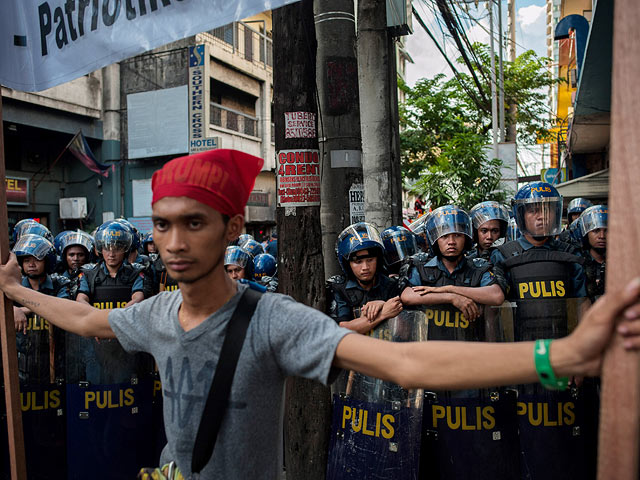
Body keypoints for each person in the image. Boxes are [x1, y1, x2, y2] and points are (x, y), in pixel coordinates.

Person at [0, 150, 639, 479]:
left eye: (193, 224)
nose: (173, 243)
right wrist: (18, 292)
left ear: (231, 228)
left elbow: (405, 360)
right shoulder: (160, 312)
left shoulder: (274, 319)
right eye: (163, 225)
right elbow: (85, 323)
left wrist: (560, 355)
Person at [490, 182, 594, 480]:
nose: (541, 217)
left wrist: (581, 355)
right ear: (521, 216)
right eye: (534, 210)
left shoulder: (570, 255)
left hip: (562, 357)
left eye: (547, 210)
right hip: (521, 358)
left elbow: (582, 306)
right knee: (523, 433)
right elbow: (496, 314)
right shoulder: (503, 256)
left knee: (564, 436)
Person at [401, 205, 504, 330]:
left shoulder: (478, 268)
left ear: (466, 237)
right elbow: (407, 296)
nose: (451, 242)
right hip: (430, 345)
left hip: (468, 343)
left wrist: (451, 288)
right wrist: (451, 297)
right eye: (444, 236)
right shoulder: (421, 266)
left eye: (457, 235)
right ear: (435, 239)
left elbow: (496, 296)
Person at [327, 222, 403, 335]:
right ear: (348, 264)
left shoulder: (391, 285)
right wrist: (382, 314)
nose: (365, 267)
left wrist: (382, 304)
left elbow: (405, 330)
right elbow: (342, 329)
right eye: (358, 262)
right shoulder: (338, 288)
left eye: (370, 260)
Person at [76, 220, 147, 307]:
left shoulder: (135, 273)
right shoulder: (88, 274)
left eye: (117, 249)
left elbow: (138, 298)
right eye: (107, 248)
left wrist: (116, 316)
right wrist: (98, 316)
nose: (111, 254)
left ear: (125, 250)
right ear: (101, 250)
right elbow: (81, 299)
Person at [578, 205, 608, 302]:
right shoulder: (578, 264)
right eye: (596, 231)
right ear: (586, 234)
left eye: (607, 231)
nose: (602, 236)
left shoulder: (620, 264)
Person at [56, 230, 95, 300]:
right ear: (65, 257)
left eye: (80, 255)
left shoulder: (94, 277)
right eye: (71, 255)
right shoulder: (56, 278)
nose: (76, 258)